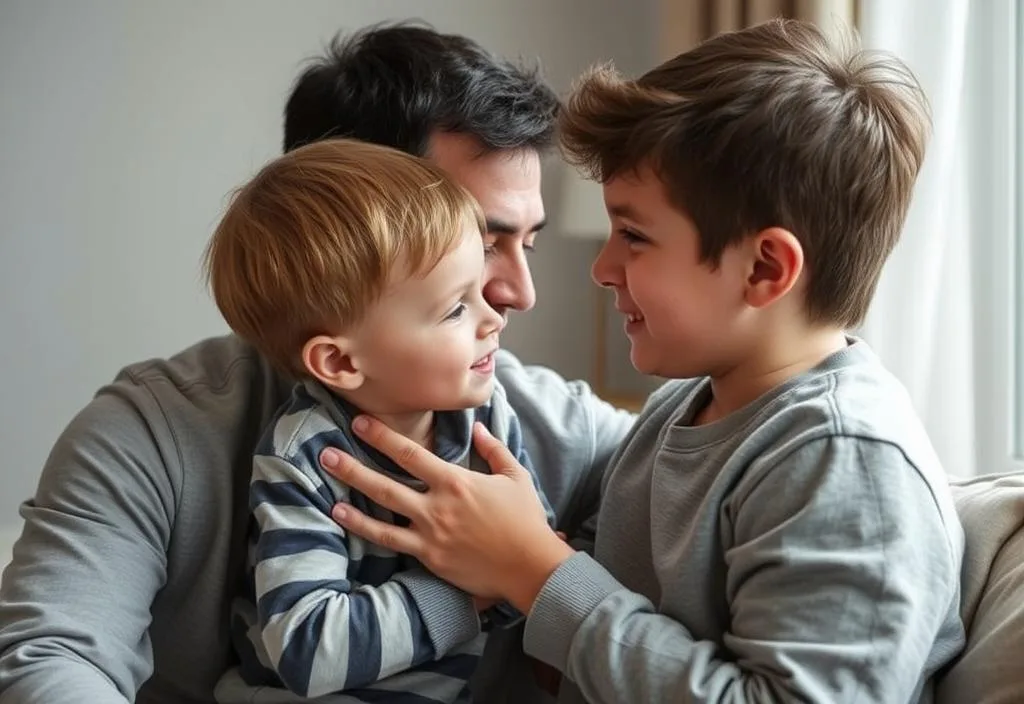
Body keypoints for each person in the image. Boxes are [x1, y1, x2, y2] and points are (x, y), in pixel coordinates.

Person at [321, 19, 967, 703]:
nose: (602, 268)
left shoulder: (847, 461)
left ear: (765, 269)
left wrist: (537, 571)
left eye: (633, 235)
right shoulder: (670, 419)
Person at [0, 23, 634, 704]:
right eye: (478, 244)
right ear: (346, 209)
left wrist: (548, 572)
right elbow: (53, 656)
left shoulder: (555, 429)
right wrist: (472, 592)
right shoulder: (150, 433)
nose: (519, 294)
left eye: (527, 245)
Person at [203, 138, 554, 703]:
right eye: (456, 307)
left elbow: (534, 570)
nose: (493, 317)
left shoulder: (488, 418)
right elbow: (309, 651)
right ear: (340, 361)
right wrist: (472, 593)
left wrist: (514, 573)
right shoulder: (307, 456)